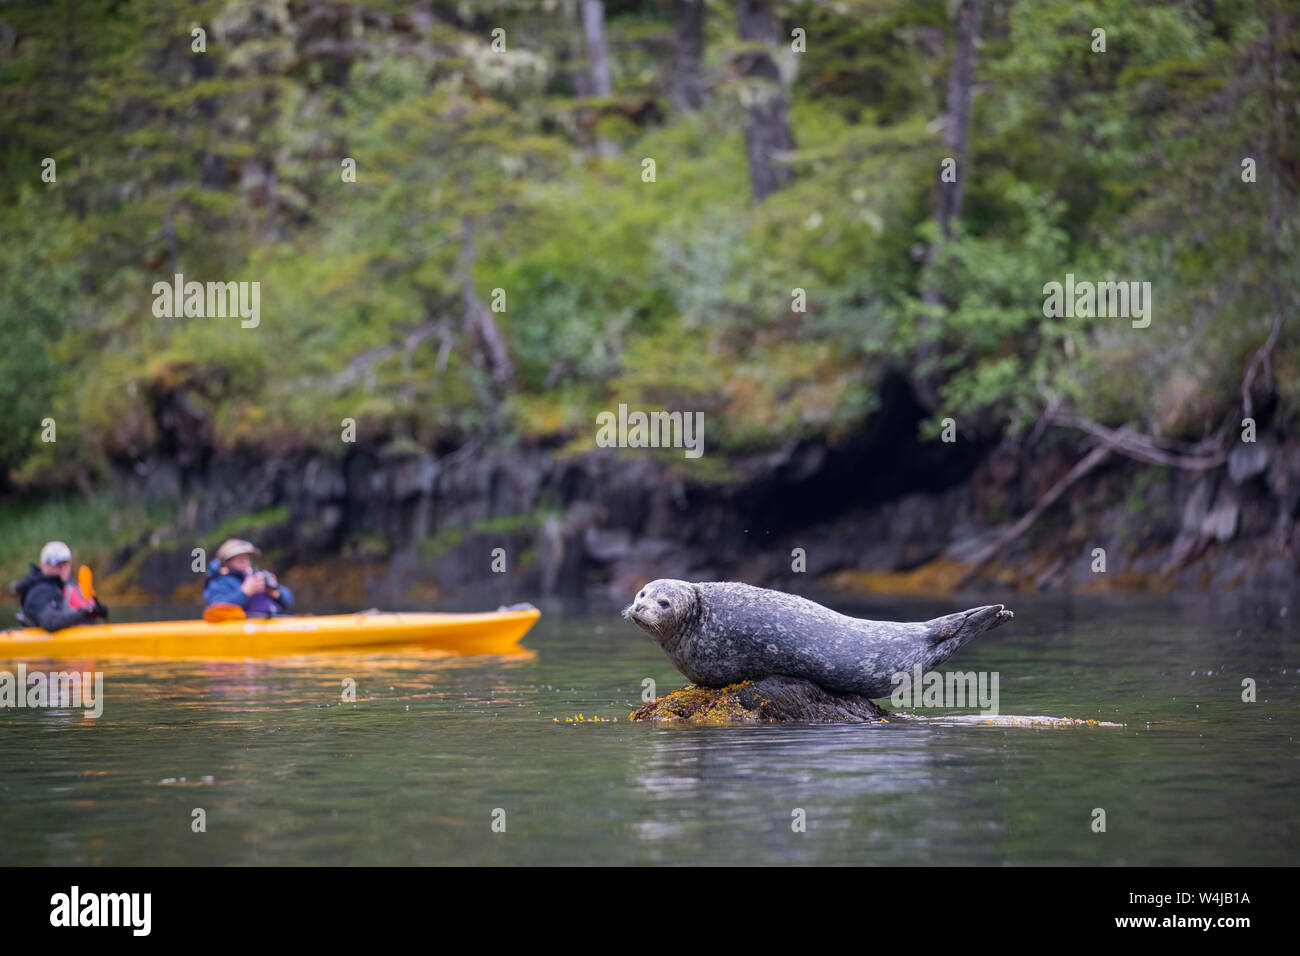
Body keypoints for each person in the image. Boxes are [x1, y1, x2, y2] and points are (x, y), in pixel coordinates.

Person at [14, 541, 109, 632]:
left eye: (65, 563)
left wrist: (95, 610)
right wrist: (84, 612)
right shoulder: (39, 591)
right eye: (57, 564)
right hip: (41, 643)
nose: (63, 568)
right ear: (43, 565)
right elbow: (51, 622)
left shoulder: (66, 587)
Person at [204, 539, 294, 617]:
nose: (245, 562)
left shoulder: (256, 576)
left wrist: (275, 592)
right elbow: (216, 608)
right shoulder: (220, 582)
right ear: (226, 563)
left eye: (247, 559)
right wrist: (245, 592)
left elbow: (289, 601)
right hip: (241, 629)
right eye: (240, 559)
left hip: (271, 623)